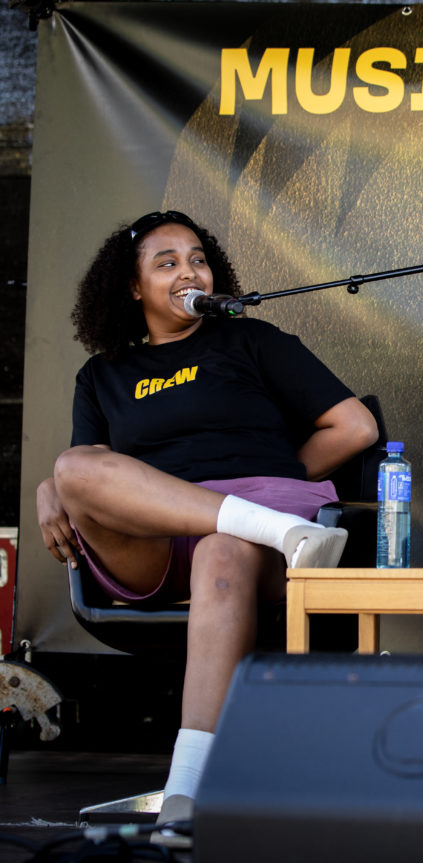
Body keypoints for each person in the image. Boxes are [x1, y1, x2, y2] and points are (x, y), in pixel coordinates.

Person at [35, 210, 379, 830]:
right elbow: (84, 470)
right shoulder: (103, 376)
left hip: (252, 530)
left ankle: (186, 792)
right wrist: (46, 490)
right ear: (133, 287)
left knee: (224, 547)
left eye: (197, 259)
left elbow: (355, 426)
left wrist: (273, 483)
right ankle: (273, 529)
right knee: (72, 467)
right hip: (157, 539)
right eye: (166, 263)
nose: (189, 271)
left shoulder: (252, 341)